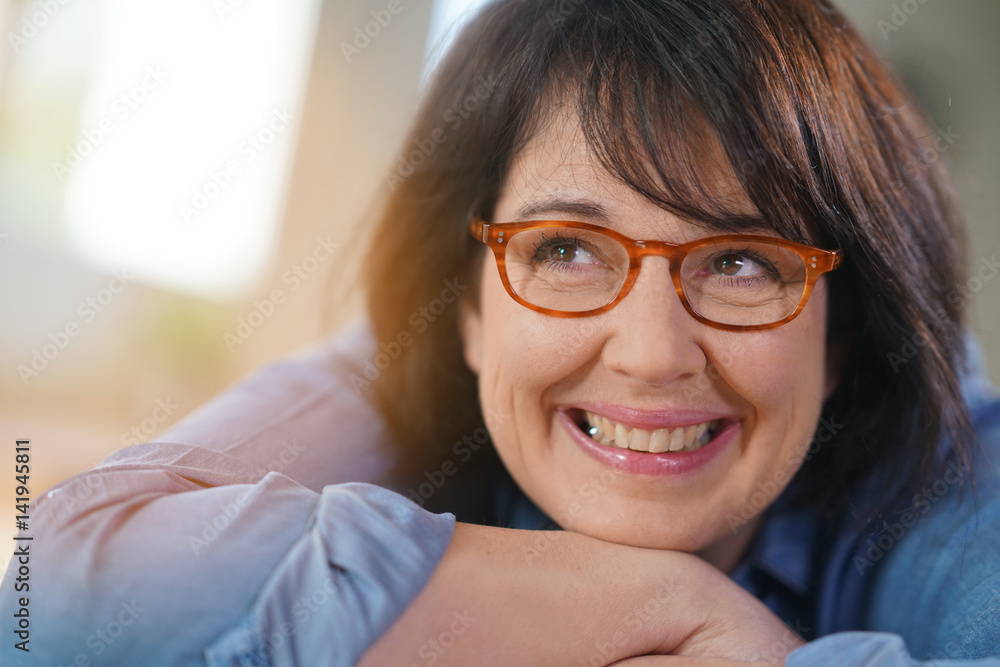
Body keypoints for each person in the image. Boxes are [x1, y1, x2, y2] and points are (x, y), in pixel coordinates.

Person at [4, 0, 999, 665]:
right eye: (566, 248)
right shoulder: (412, 355)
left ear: (841, 334)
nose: (651, 352)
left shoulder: (949, 457)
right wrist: (677, 605)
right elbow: (52, 598)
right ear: (468, 307)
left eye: (741, 262)